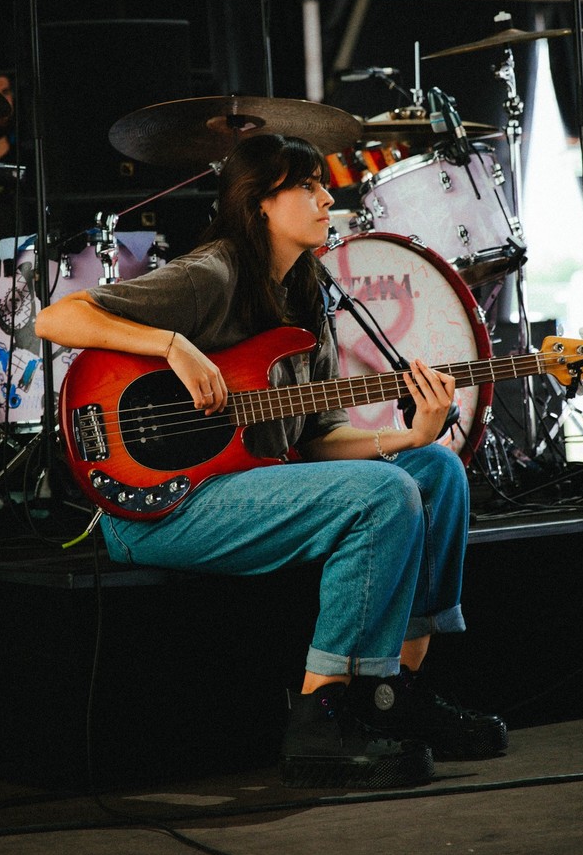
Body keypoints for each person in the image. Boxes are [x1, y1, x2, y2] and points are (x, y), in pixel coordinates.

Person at [35, 133, 507, 789]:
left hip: (243, 486)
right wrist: (172, 344)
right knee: (381, 496)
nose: (327, 196)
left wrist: (413, 434)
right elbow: (57, 319)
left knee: (436, 470)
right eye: (307, 186)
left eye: (323, 184)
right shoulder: (213, 273)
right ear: (260, 203)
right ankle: (323, 718)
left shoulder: (308, 298)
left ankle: (394, 694)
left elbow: (319, 441)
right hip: (160, 504)